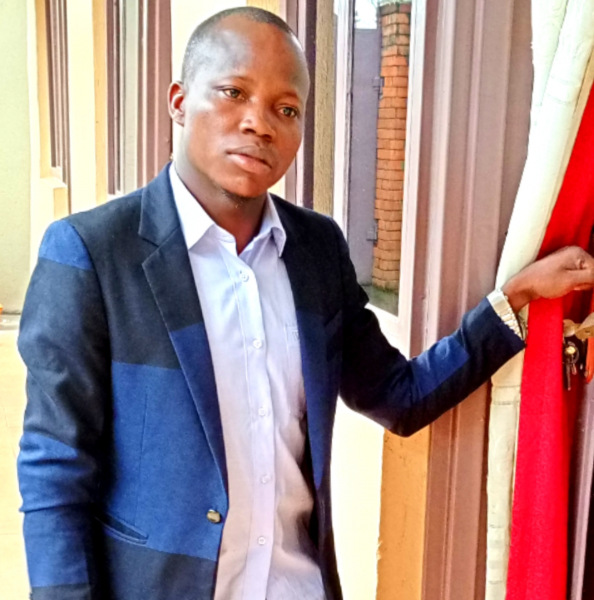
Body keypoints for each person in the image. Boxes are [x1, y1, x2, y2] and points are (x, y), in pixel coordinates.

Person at [16, 7, 594, 600]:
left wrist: (517, 297)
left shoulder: (315, 252)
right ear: (179, 102)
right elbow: (56, 470)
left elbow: (400, 396)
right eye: (234, 92)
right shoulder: (93, 254)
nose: (259, 123)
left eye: (285, 109)